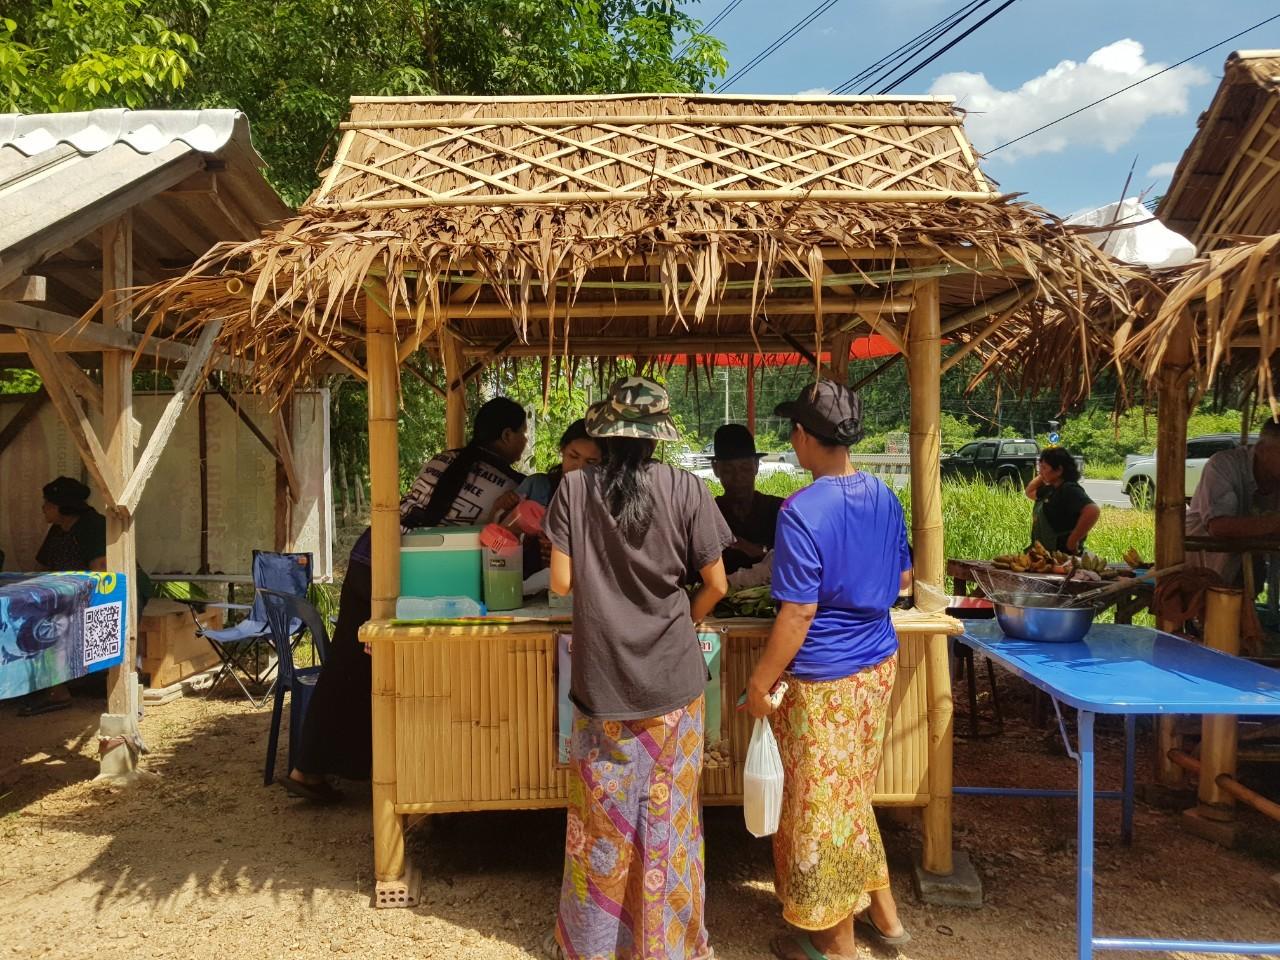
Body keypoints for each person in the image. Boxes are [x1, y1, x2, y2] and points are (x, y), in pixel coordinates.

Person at [543, 376, 732, 960]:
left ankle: (594, 946)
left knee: (601, 827)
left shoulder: (574, 488)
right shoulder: (687, 488)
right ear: (657, 437)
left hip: (602, 685)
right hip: (674, 684)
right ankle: (669, 947)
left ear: (606, 432)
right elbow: (717, 585)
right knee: (671, 824)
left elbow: (560, 583)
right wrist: (685, 619)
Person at [281, 397, 528, 803]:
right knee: (405, 673)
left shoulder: (442, 459)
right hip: (410, 573)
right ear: (506, 435)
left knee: (346, 665)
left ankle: (307, 768)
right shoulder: (511, 486)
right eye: (522, 433)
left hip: (368, 556)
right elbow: (486, 539)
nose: (524, 442)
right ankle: (394, 772)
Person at [746, 381, 912, 960]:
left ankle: (835, 942)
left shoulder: (800, 510)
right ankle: (884, 914)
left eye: (793, 430)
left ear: (804, 436)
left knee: (819, 806)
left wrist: (760, 682)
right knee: (850, 792)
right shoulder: (884, 495)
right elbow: (903, 580)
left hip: (824, 680)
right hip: (877, 666)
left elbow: (798, 613)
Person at [22, 477, 153, 716]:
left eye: (48, 503)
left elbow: (102, 576)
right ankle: (57, 686)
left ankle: (116, 689)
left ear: (63, 506)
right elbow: (42, 567)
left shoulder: (93, 526)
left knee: (94, 632)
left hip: (113, 592)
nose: (43, 508)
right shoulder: (58, 529)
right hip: (72, 595)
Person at [1186, 418, 1280, 585]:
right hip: (1201, 569)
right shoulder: (1223, 465)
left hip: (1249, 566)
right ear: (1261, 449)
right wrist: (1274, 524)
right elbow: (1218, 526)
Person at [711, 423, 785, 575]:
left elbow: (795, 563)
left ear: (756, 465)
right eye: (728, 470)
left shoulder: (780, 510)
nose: (738, 477)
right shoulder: (708, 515)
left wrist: (758, 551)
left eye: (744, 468)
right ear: (716, 469)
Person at [1024, 447, 1099, 554]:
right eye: (1039, 467)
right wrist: (1044, 475)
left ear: (1059, 470)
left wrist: (1072, 541)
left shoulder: (1068, 489)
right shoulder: (1050, 488)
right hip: (1044, 554)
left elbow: (1092, 510)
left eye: (1044, 467)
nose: (1040, 471)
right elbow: (1029, 492)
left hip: (1062, 556)